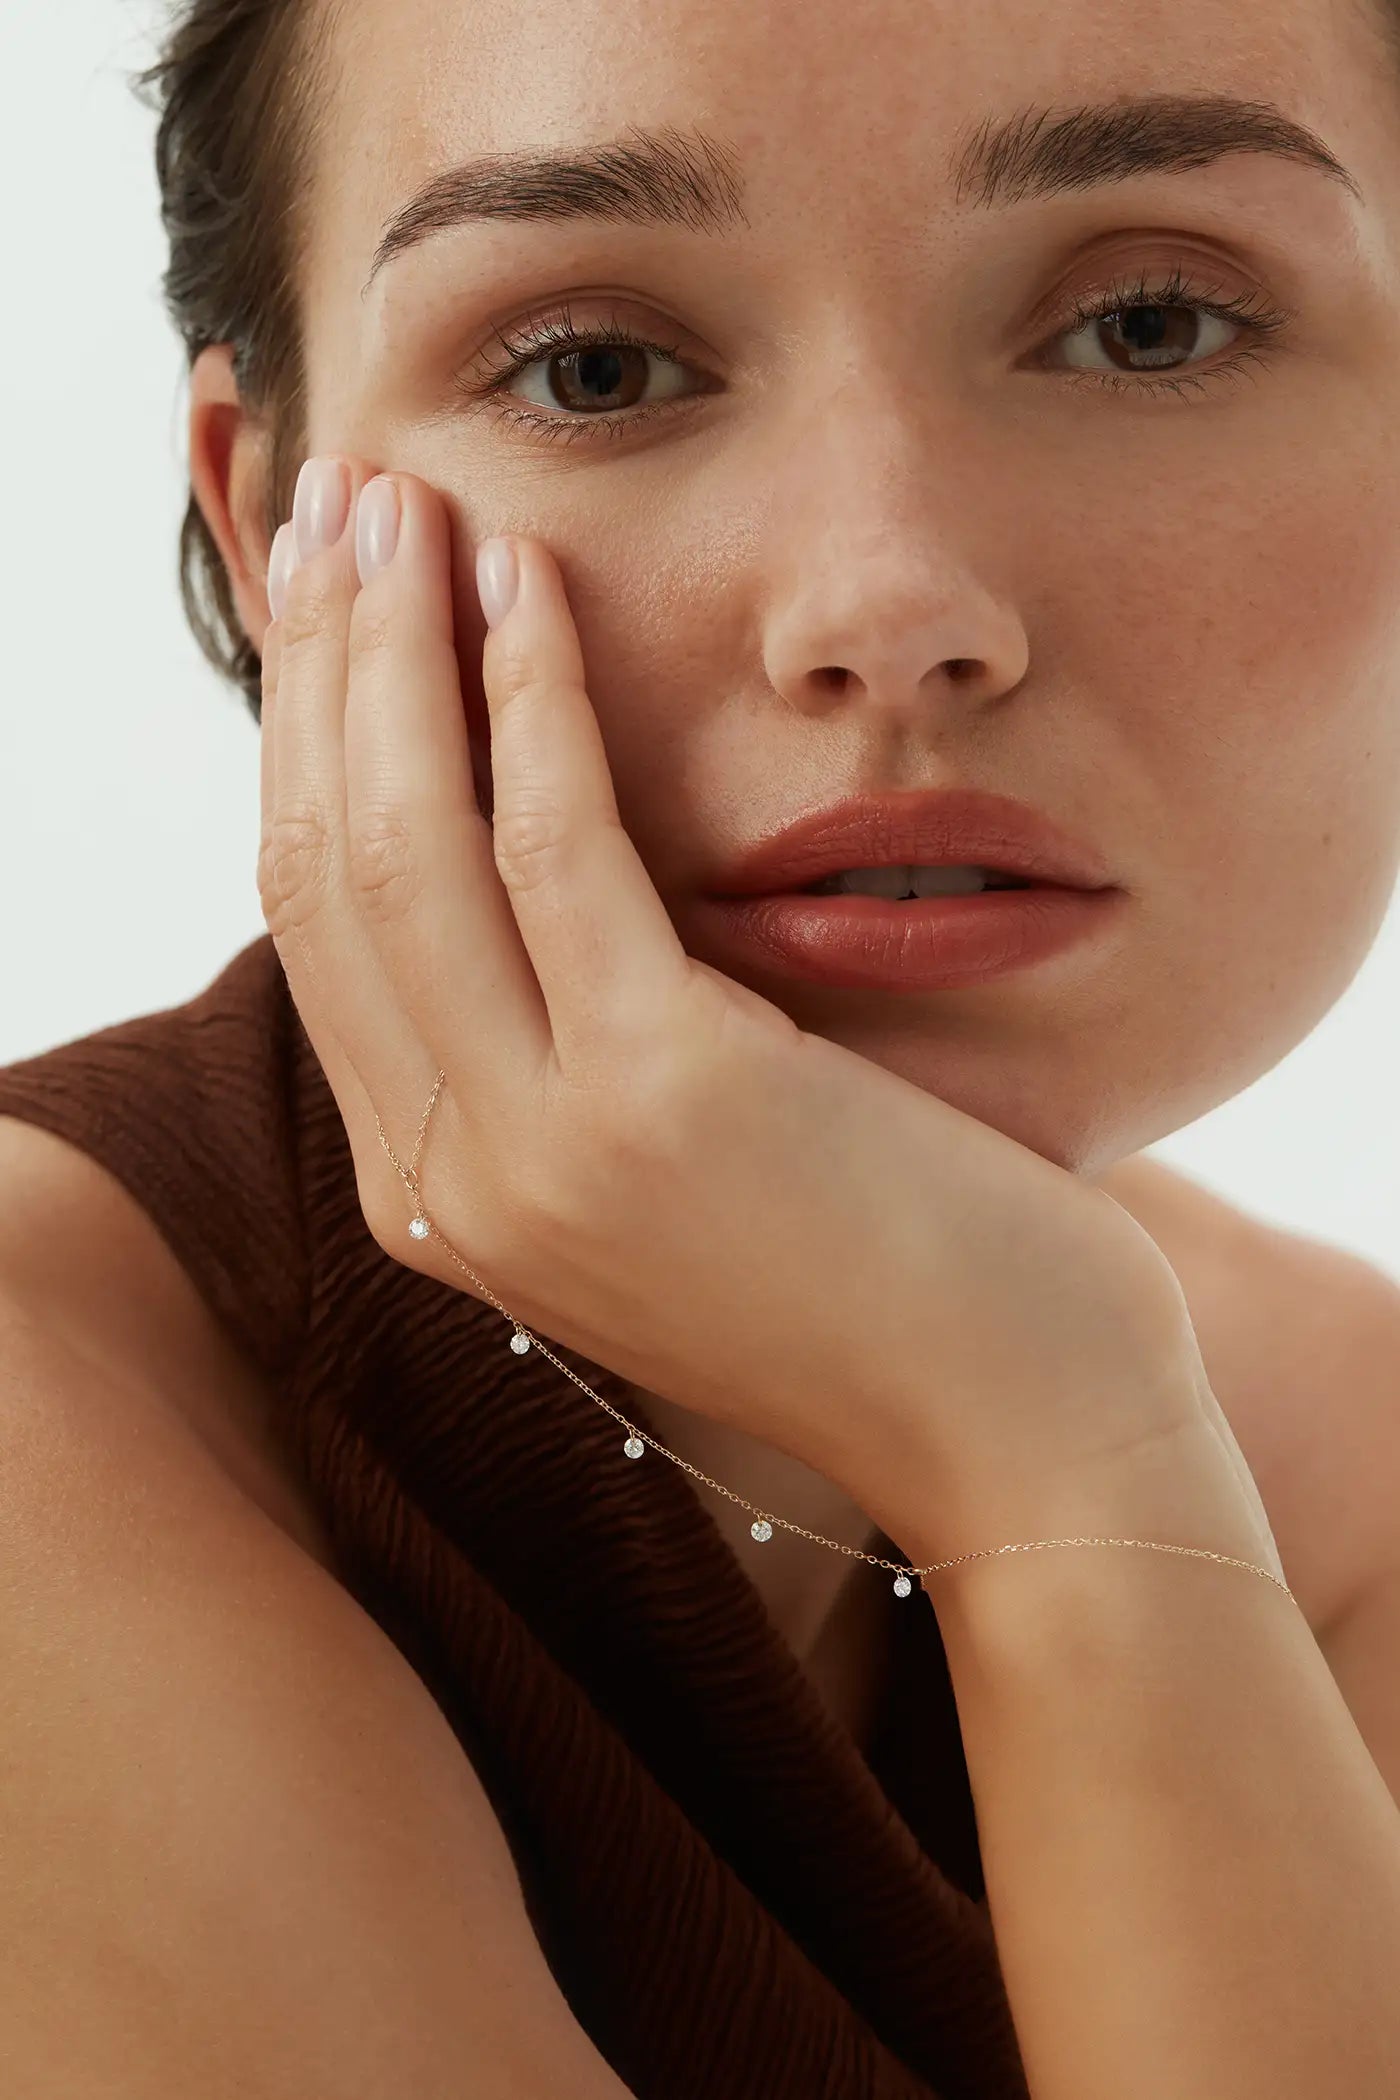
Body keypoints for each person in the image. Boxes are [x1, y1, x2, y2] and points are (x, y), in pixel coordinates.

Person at [2, 0, 1400, 2092]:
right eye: (595, 367)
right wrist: (1063, 1463)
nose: (892, 600)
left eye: (1147, 331)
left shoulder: (1342, 1456)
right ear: (271, 525)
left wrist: (1055, 1439)